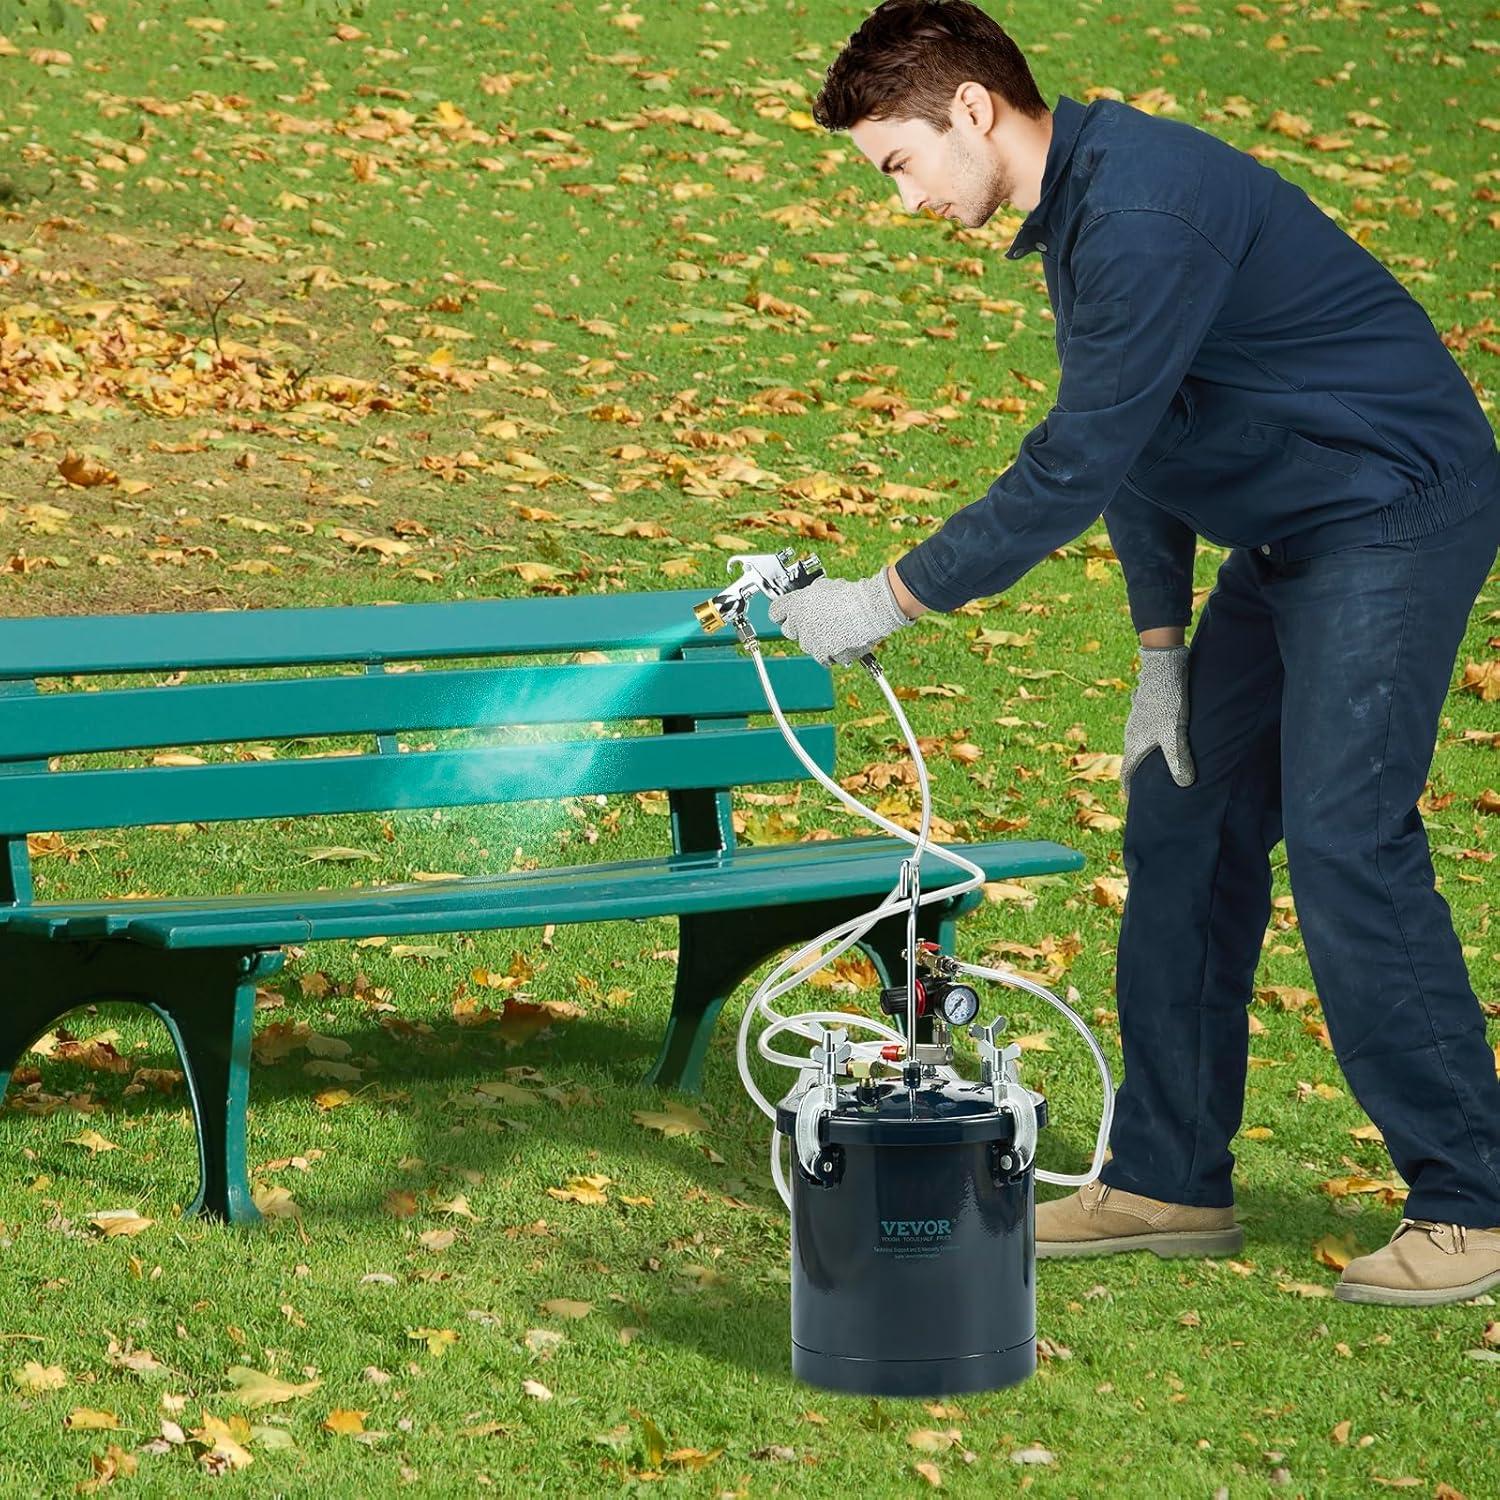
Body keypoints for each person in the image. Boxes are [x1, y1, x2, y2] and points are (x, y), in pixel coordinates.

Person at [770, 0, 1500, 1307]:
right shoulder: (1086, 211)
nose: (902, 201)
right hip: (1291, 536)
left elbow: (1071, 463)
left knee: (1345, 838)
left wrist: (882, 600)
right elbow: (1141, 439)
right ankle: (1169, 1177)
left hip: (1391, 514)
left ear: (976, 112)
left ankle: (1476, 1201)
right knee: (1180, 819)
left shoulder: (1144, 215)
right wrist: (1162, 647)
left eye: (899, 163)